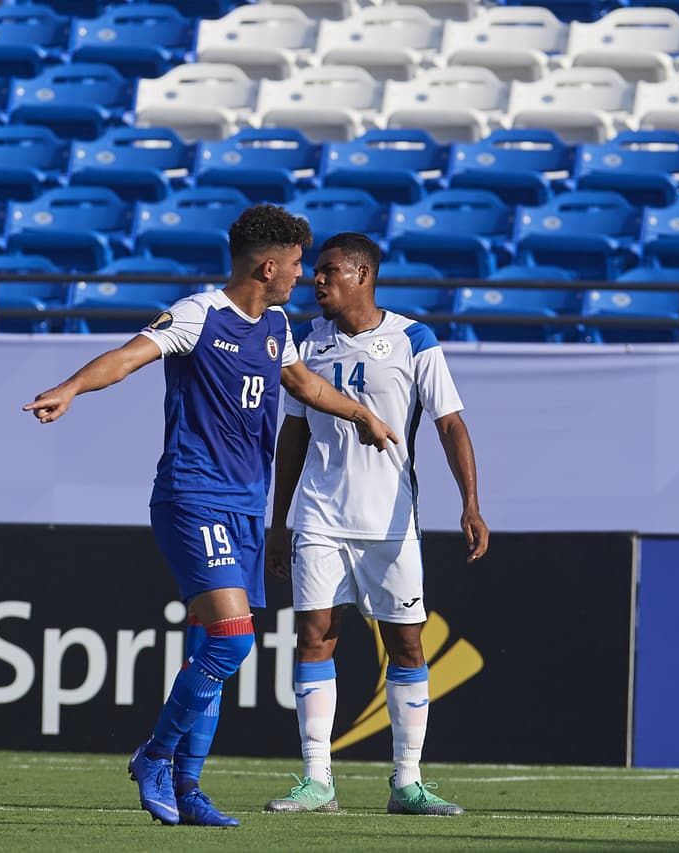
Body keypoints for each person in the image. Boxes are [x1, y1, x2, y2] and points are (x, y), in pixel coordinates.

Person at [24, 205, 400, 828]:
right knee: (232, 638)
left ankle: (188, 788)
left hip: (247, 505)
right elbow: (127, 356)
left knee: (209, 644)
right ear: (270, 266)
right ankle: (156, 756)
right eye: (299, 264)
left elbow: (304, 386)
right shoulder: (199, 314)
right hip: (193, 495)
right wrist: (70, 388)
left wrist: (361, 414)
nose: (304, 276)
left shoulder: (277, 323)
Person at [263, 233, 488, 816]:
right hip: (318, 513)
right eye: (315, 272)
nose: (316, 280)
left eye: (329, 271)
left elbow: (450, 425)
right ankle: (318, 781)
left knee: (407, 644)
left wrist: (470, 502)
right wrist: (279, 519)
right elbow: (293, 434)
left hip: (389, 520)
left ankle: (407, 782)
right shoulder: (303, 341)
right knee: (315, 635)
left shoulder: (414, 339)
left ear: (362, 275)